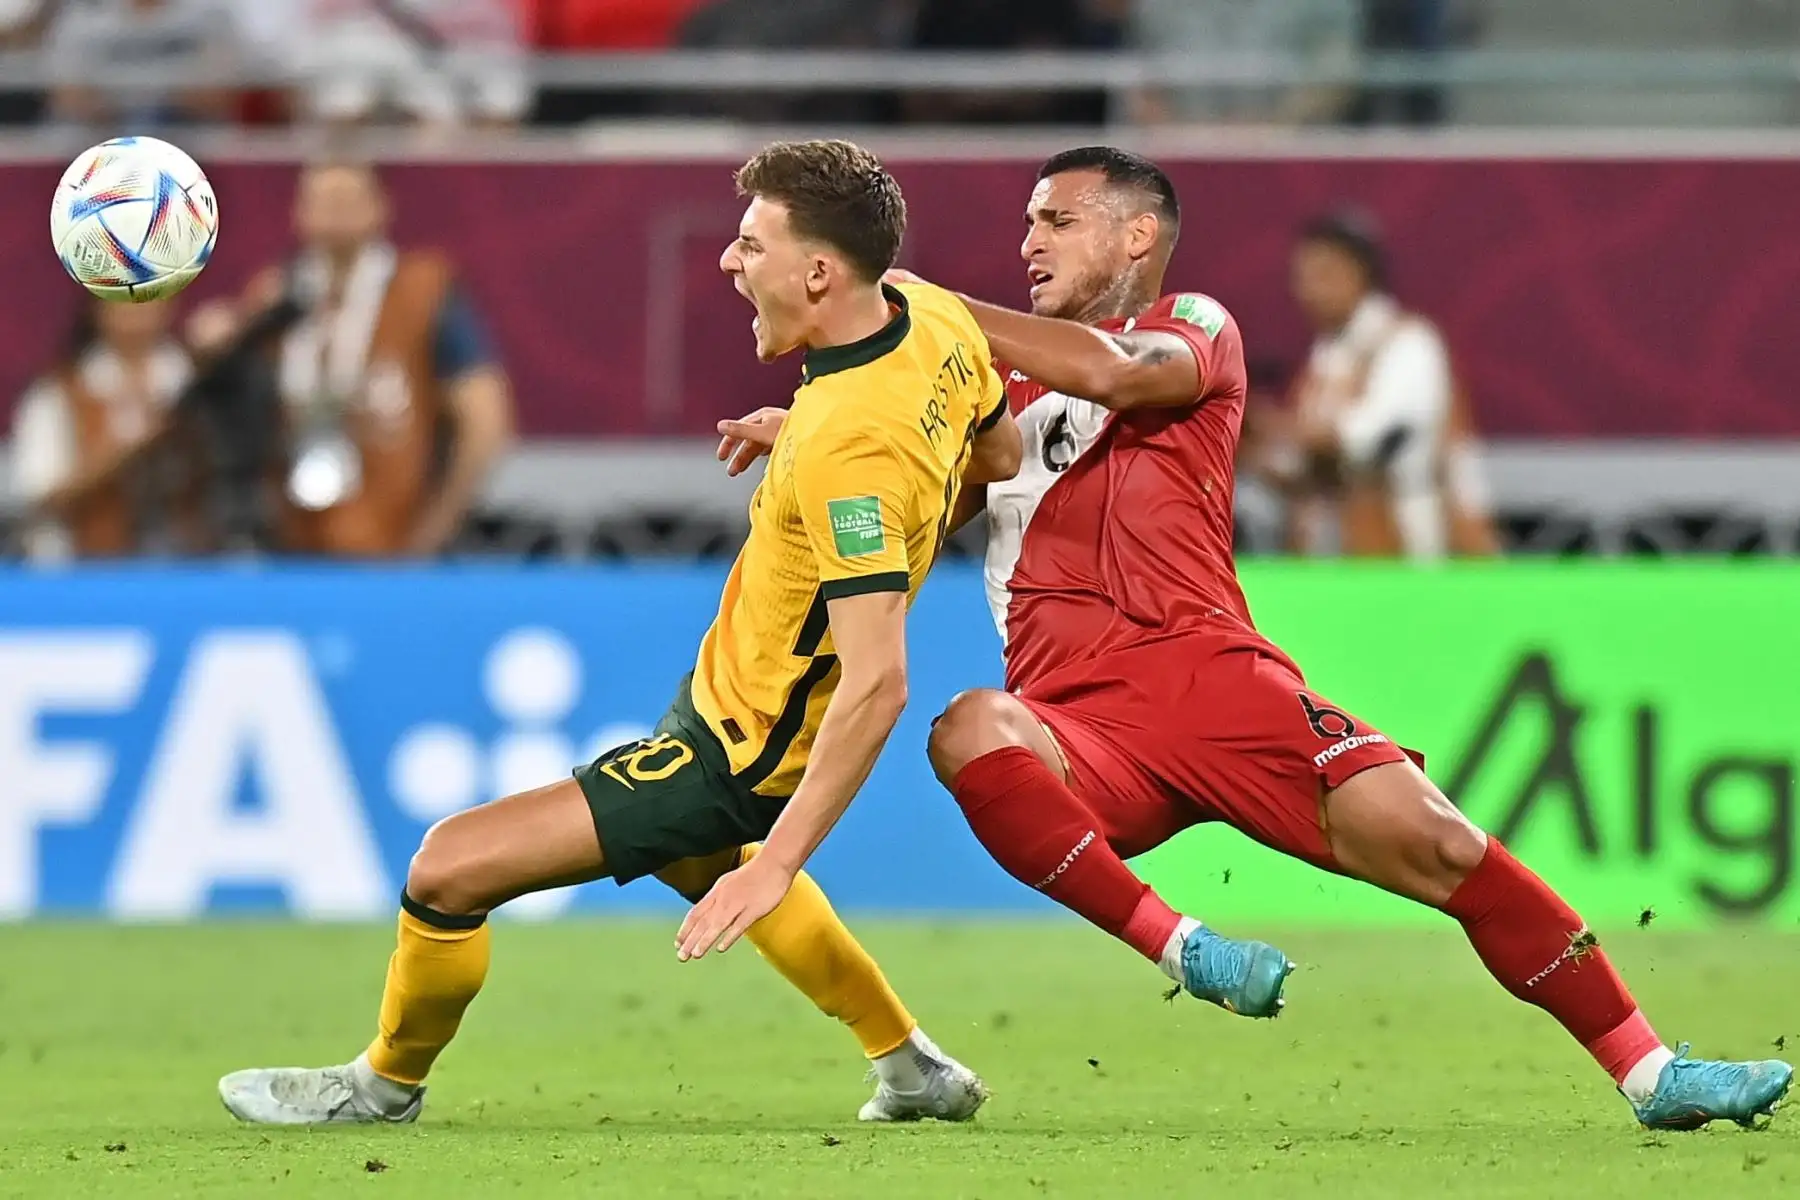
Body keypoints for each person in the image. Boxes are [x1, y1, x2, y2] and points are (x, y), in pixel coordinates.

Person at [712, 147, 1791, 1132]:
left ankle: (1651, 1071)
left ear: (1135, 235)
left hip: (1220, 691)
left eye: (1057, 219)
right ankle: (1188, 949)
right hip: (1081, 723)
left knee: (1449, 850)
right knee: (965, 730)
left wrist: (931, 304)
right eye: (1026, 222)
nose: (1028, 240)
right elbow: (925, 484)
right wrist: (812, 438)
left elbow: (1121, 376)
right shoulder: (996, 392)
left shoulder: (1198, 327)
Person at [218, 139, 1022, 1127]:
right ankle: (910, 1065)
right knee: (705, 862)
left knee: (448, 868)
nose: (730, 262)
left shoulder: (852, 446)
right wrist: (814, 439)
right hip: (732, 704)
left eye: (748, 243)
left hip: (737, 754)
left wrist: (777, 861)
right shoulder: (926, 314)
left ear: (818, 271)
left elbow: (879, 682)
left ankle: (381, 1087)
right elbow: (998, 446)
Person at [187, 161, 515, 557]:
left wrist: (432, 534)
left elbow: (486, 423)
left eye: (347, 199)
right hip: (291, 548)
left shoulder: (425, 292)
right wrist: (217, 348)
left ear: (381, 207)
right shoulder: (272, 299)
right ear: (298, 212)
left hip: (394, 541)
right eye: (322, 200)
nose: (335, 211)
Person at [1282, 209, 1499, 559]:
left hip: (1407, 546)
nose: (1307, 291)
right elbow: (1301, 462)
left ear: (1359, 274)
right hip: (1334, 551)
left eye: (1322, 275)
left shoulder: (1409, 344)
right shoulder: (1326, 353)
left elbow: (1372, 439)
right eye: (1301, 278)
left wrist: (1286, 435)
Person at [9, 296, 209, 560]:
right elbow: (37, 497)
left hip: (193, 568)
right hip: (82, 571)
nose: (138, 310)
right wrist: (118, 453)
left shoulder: (201, 384)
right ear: (98, 309)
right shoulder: (58, 395)